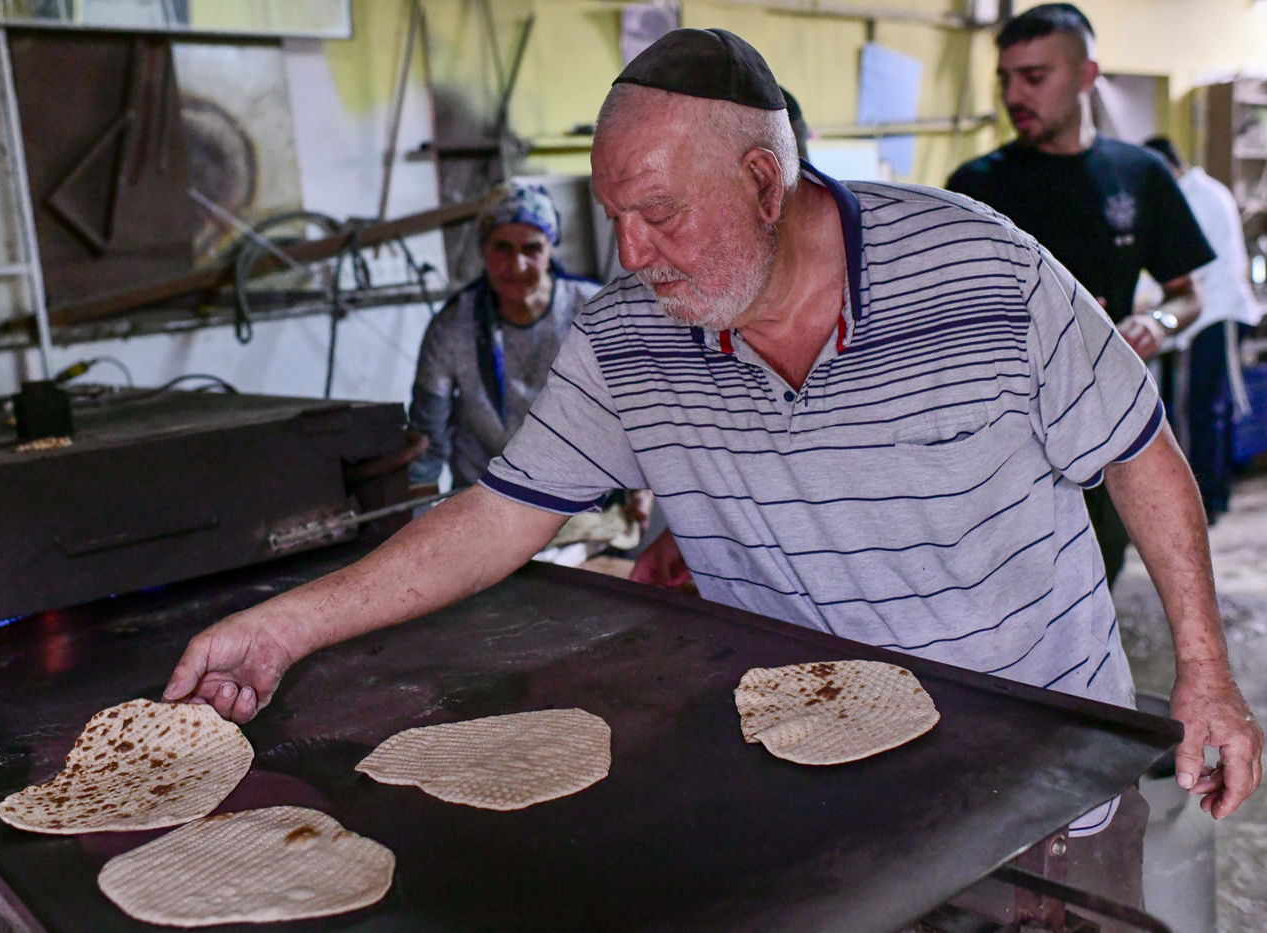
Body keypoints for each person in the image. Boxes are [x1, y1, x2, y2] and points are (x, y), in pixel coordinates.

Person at [165, 27, 1260, 925]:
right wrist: (284, 627)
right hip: (818, 777)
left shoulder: (978, 269)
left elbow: (1137, 450)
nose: (631, 255)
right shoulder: (626, 339)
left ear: (763, 181)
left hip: (1035, 768)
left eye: (659, 215)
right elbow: (498, 514)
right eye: (613, 218)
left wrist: (1204, 671)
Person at [945, 3, 1215, 589]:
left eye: (1034, 77)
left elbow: (1187, 296)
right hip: (1006, 434)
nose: (1014, 95)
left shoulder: (1139, 174)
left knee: (1099, 576)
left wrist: (1158, 323)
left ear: (1086, 76)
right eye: (1006, 79)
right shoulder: (978, 185)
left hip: (1106, 426)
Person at [407, 181, 600, 491]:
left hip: (586, 495)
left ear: (550, 249)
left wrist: (641, 490)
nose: (517, 265)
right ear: (483, 250)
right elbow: (427, 440)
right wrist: (417, 509)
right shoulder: (451, 329)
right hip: (488, 495)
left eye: (532, 248)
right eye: (502, 248)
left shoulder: (593, 311)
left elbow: (639, 409)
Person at [1143, 135, 1264, 524]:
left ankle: (1206, 500)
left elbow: (1188, 265)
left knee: (1202, 410)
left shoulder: (1199, 197)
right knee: (1210, 408)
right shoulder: (1202, 191)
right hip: (1213, 312)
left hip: (1217, 312)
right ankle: (1214, 495)